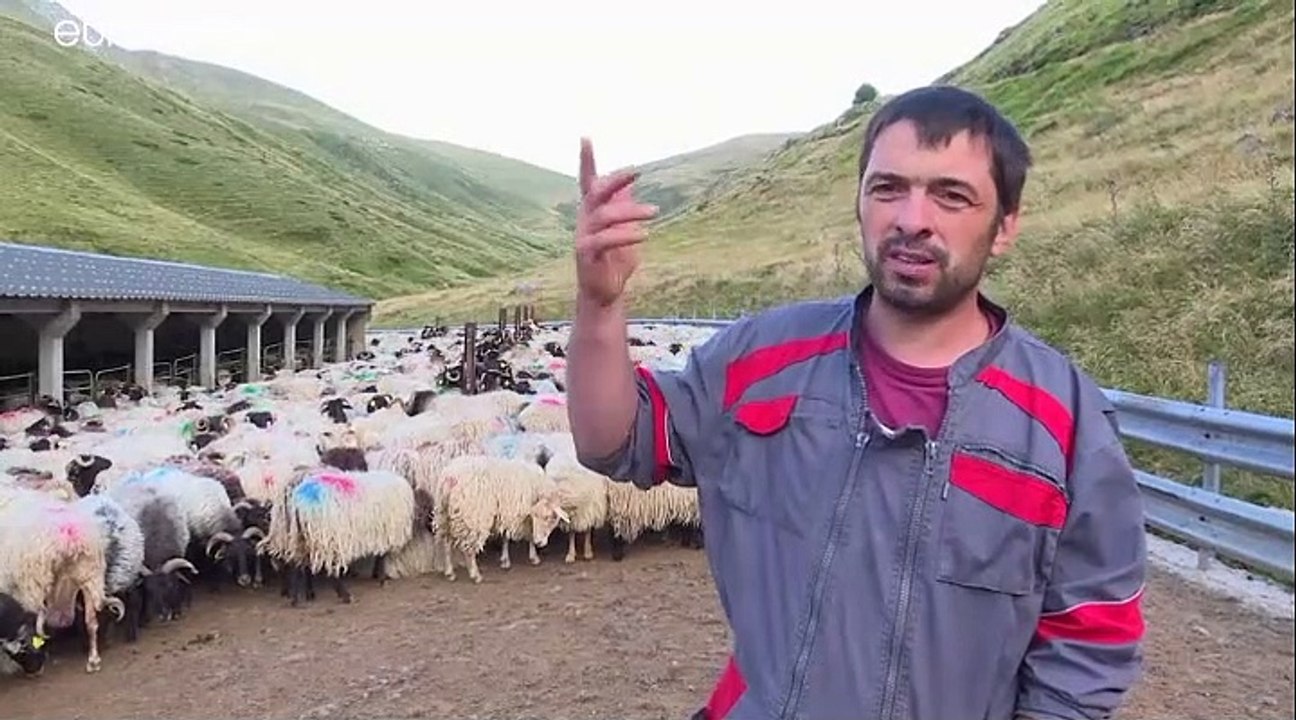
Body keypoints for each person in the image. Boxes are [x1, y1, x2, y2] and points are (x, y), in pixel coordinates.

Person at [566, 85, 1147, 720]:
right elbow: (613, 441)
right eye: (888, 188)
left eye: (951, 196)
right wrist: (600, 305)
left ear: (1005, 226)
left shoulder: (1063, 423)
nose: (912, 219)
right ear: (861, 203)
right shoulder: (761, 359)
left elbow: (1091, 639)